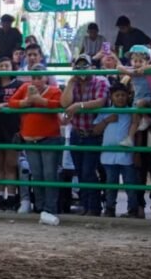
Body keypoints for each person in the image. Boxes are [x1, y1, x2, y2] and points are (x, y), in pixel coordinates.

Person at [8, 64, 62, 215]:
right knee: (37, 174)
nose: (36, 81)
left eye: (39, 77)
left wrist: (39, 100)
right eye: (34, 77)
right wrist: (25, 103)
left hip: (49, 138)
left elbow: (59, 104)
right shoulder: (25, 88)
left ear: (46, 78)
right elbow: (12, 101)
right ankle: (40, 206)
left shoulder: (54, 90)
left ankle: (49, 208)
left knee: (50, 174)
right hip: (30, 139)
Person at [61, 54, 110, 216]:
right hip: (77, 132)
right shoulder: (73, 84)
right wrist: (70, 82)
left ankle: (94, 207)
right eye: (78, 66)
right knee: (81, 172)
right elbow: (64, 103)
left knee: (89, 171)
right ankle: (87, 205)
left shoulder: (100, 81)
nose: (81, 70)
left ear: (92, 67)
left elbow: (101, 101)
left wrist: (79, 105)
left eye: (85, 66)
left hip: (92, 133)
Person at [93, 82, 140, 218]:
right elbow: (95, 130)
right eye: (117, 95)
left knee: (130, 184)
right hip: (108, 155)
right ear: (111, 97)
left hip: (126, 154)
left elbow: (137, 126)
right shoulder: (105, 112)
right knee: (110, 183)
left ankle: (133, 210)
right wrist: (107, 120)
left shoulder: (131, 112)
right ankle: (109, 208)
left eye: (123, 95)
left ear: (128, 96)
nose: (120, 98)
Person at [0, 57, 24, 211]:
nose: (4, 68)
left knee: (10, 165)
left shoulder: (19, 85)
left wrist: (4, 104)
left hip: (13, 128)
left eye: (7, 65)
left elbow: (24, 102)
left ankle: (11, 197)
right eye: (1, 65)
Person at [118, 44, 151, 137]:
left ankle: (146, 118)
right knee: (135, 122)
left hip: (149, 98)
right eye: (135, 61)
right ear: (131, 61)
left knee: (140, 105)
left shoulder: (148, 71)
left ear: (147, 62)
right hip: (137, 98)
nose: (137, 64)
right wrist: (128, 72)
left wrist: (144, 68)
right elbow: (118, 67)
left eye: (141, 61)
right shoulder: (132, 70)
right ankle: (130, 140)